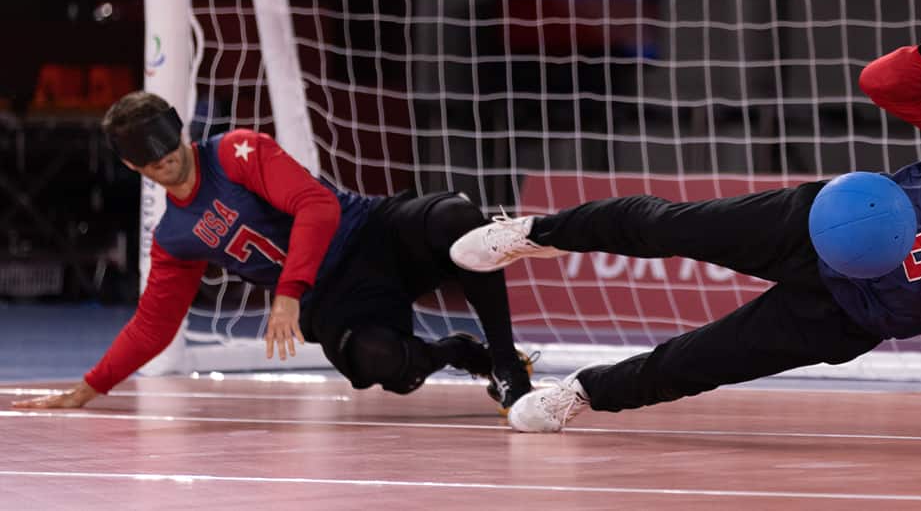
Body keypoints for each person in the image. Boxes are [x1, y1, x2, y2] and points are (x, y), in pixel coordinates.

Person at [450, 0, 921, 433]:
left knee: (697, 362)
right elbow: (883, 83)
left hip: (849, 316)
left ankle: (574, 397)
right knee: (665, 224)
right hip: (825, 220)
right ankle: (530, 231)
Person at [11, 93, 533, 414]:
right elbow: (153, 325)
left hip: (369, 233)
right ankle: (463, 353)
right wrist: (90, 387)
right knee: (382, 365)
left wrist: (286, 294)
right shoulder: (174, 236)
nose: (169, 165)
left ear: (180, 135)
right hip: (334, 299)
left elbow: (317, 206)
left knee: (458, 221)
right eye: (154, 164)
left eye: (171, 152)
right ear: (133, 168)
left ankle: (507, 367)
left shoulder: (237, 151)